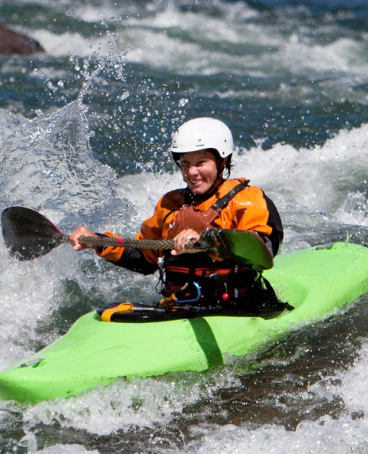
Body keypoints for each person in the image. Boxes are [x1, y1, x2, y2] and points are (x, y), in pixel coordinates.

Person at [68, 117, 286, 313]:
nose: (191, 172)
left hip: (238, 306)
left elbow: (261, 249)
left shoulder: (247, 199)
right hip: (180, 304)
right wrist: (98, 241)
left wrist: (204, 240)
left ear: (222, 161)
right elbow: (146, 257)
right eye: (185, 164)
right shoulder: (170, 204)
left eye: (201, 163)